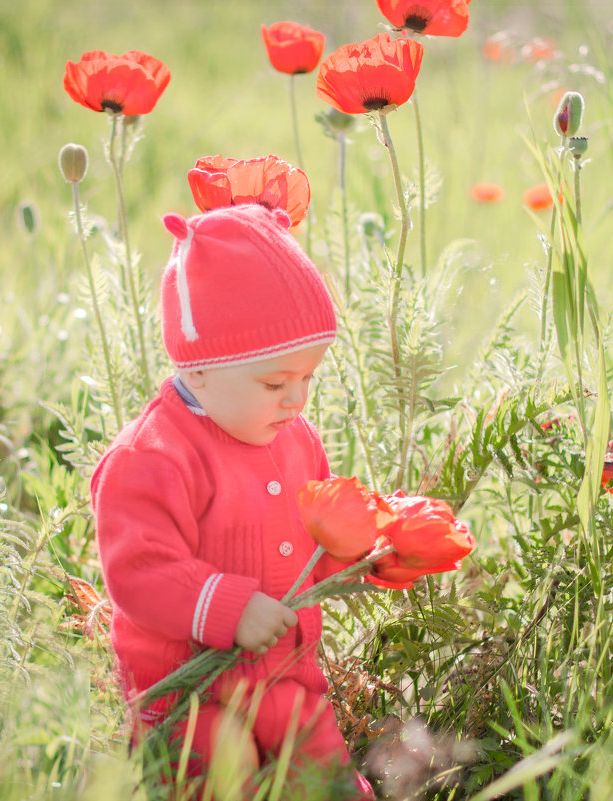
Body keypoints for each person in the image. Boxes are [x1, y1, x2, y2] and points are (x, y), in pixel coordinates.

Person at [90, 203, 373, 799]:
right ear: (198, 372)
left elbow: (310, 547)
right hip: (187, 690)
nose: (296, 399)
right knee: (225, 771)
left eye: (308, 378)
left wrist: (360, 553)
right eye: (275, 383)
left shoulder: (294, 440)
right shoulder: (153, 457)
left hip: (282, 681)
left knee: (325, 774)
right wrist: (226, 608)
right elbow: (138, 571)